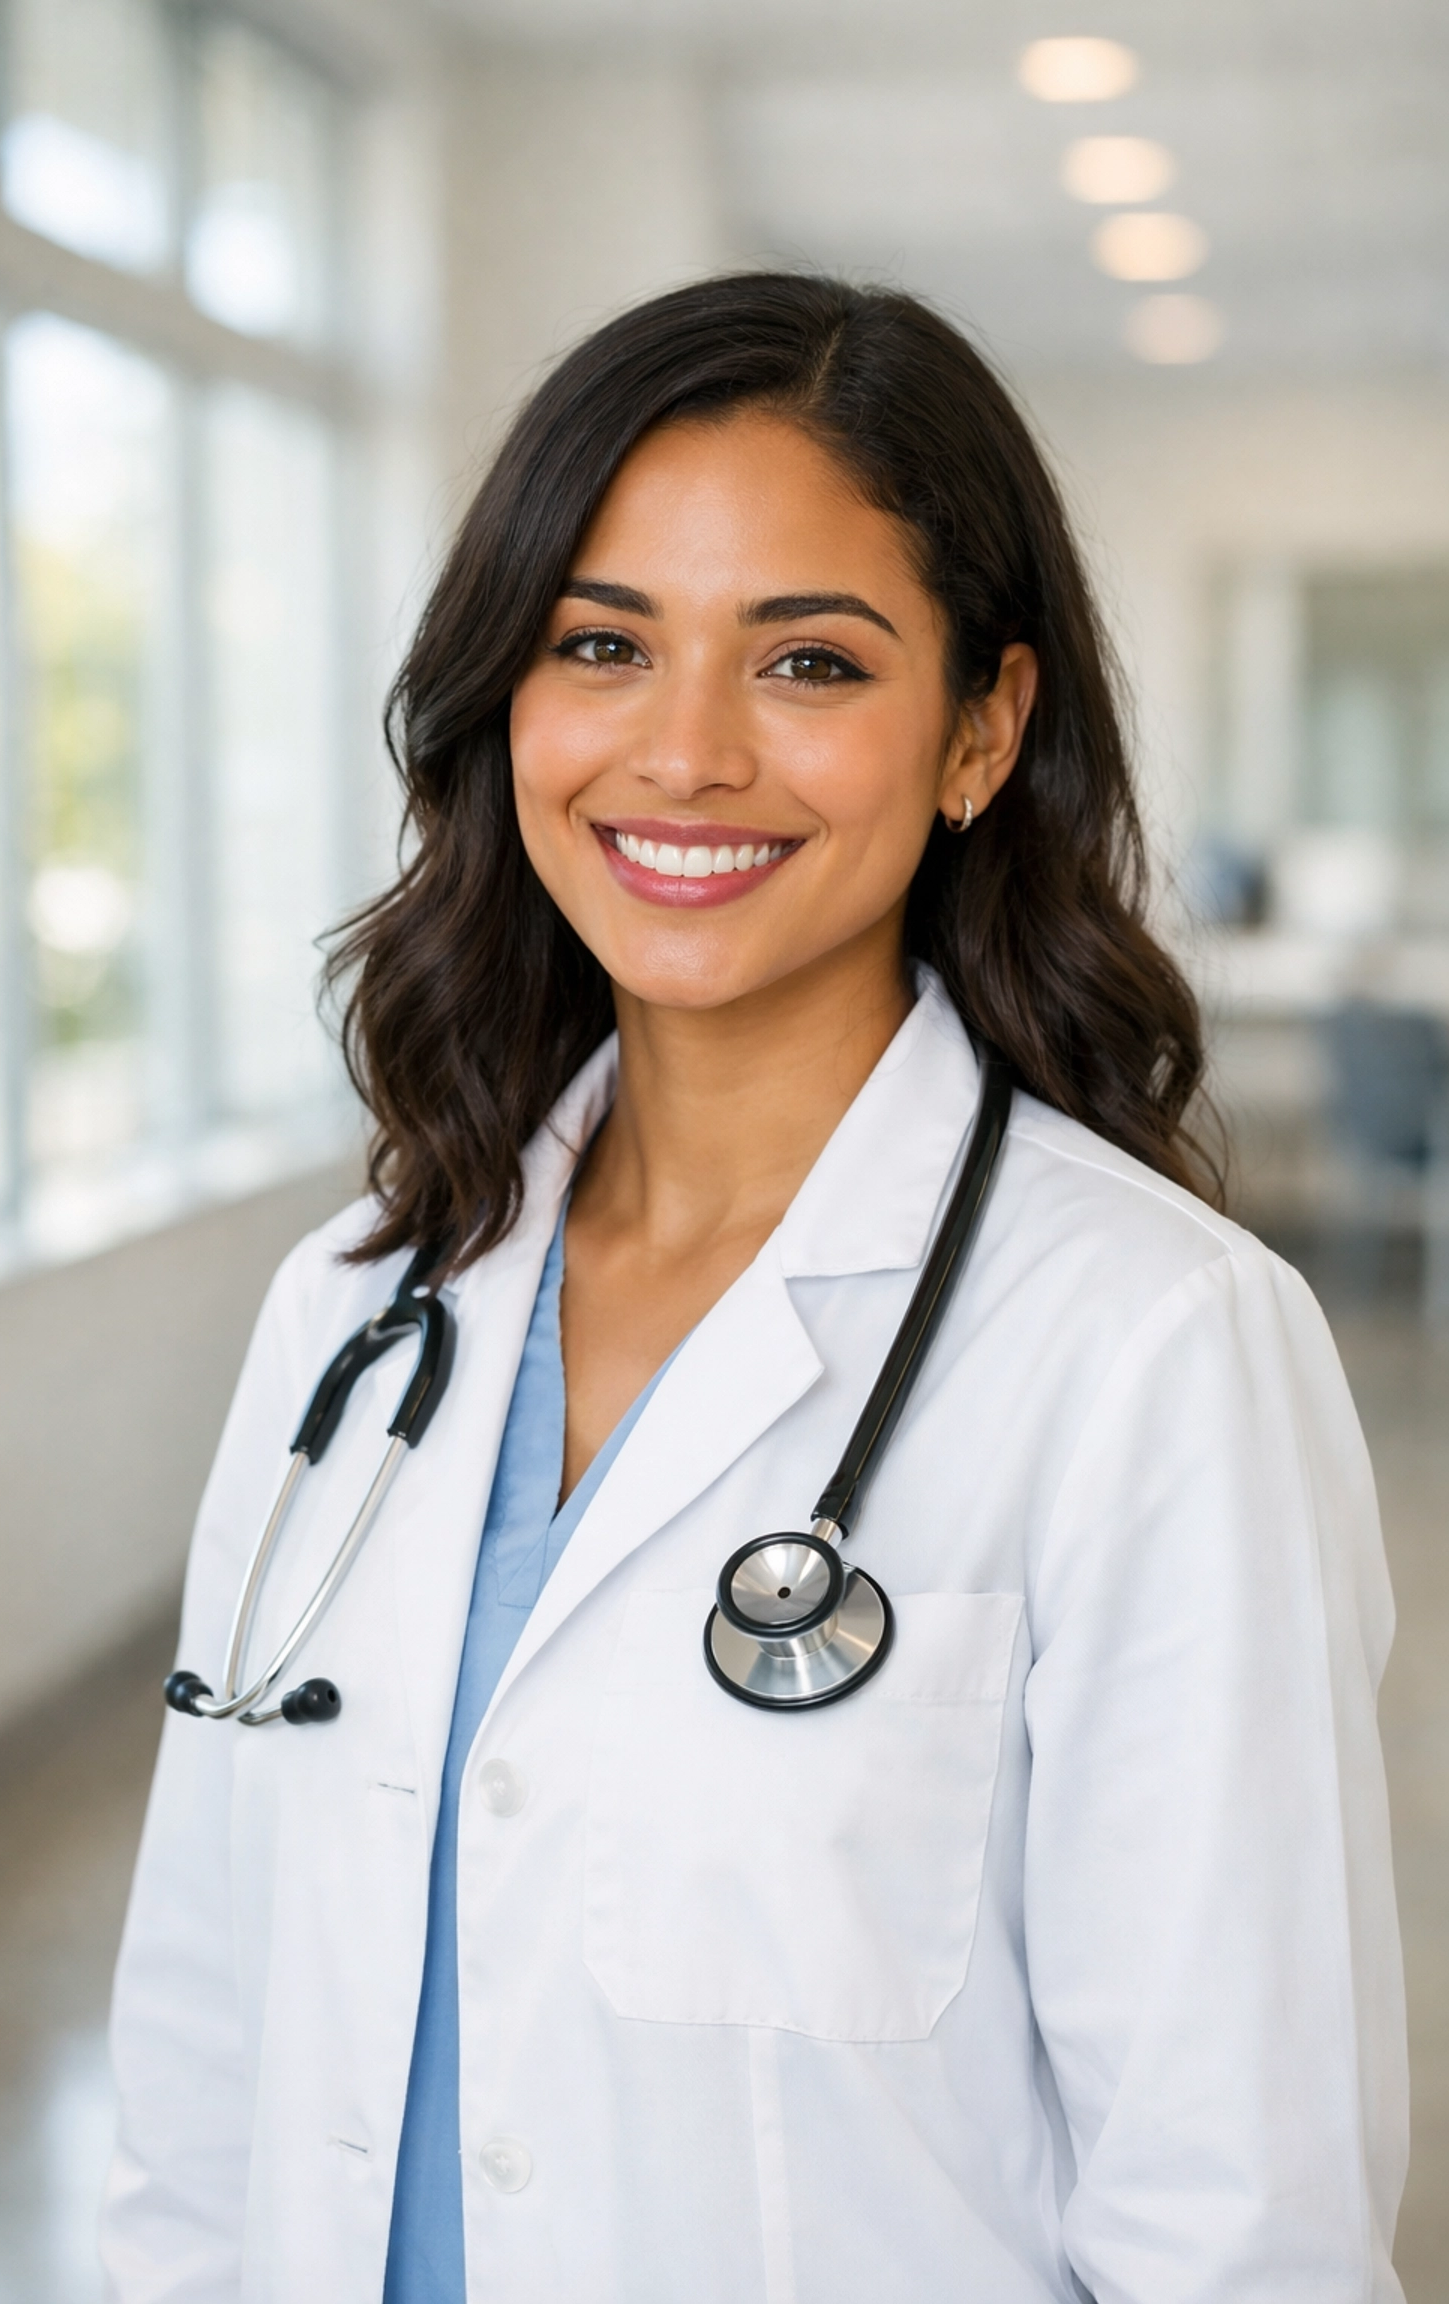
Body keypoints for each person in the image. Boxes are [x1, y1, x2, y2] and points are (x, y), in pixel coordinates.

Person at [102, 274, 1407, 2304]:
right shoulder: (359, 1317)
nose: (685, 753)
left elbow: (1238, 2217)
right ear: (503, 703)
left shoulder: (1156, 1347)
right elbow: (201, 2075)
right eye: (601, 644)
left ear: (981, 729)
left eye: (808, 660)